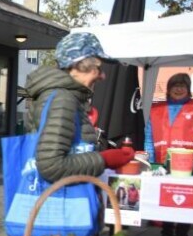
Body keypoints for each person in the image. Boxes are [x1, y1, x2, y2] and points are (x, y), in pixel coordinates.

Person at [23, 31, 135, 212]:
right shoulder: (63, 100)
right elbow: (51, 166)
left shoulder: (62, 96)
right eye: (98, 69)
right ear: (77, 67)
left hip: (59, 204)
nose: (102, 76)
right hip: (61, 212)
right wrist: (103, 159)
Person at [140, 72, 193, 236]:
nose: (178, 89)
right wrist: (150, 159)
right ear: (169, 89)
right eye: (175, 85)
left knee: (186, 198)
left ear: (188, 89)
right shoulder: (156, 109)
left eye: (182, 86)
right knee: (166, 198)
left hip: (189, 163)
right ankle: (166, 234)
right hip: (162, 162)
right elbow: (149, 135)